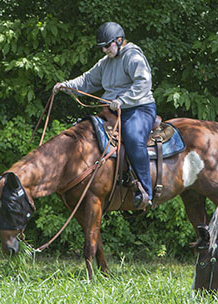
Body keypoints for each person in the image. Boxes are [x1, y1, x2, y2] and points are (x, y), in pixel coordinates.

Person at [55, 22, 157, 210]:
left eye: (107, 45)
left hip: (138, 108)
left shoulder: (133, 57)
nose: (104, 50)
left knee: (133, 139)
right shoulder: (106, 62)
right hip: (112, 110)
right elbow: (87, 80)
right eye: (102, 47)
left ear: (119, 41)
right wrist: (66, 86)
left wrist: (123, 100)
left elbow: (143, 83)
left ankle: (146, 192)